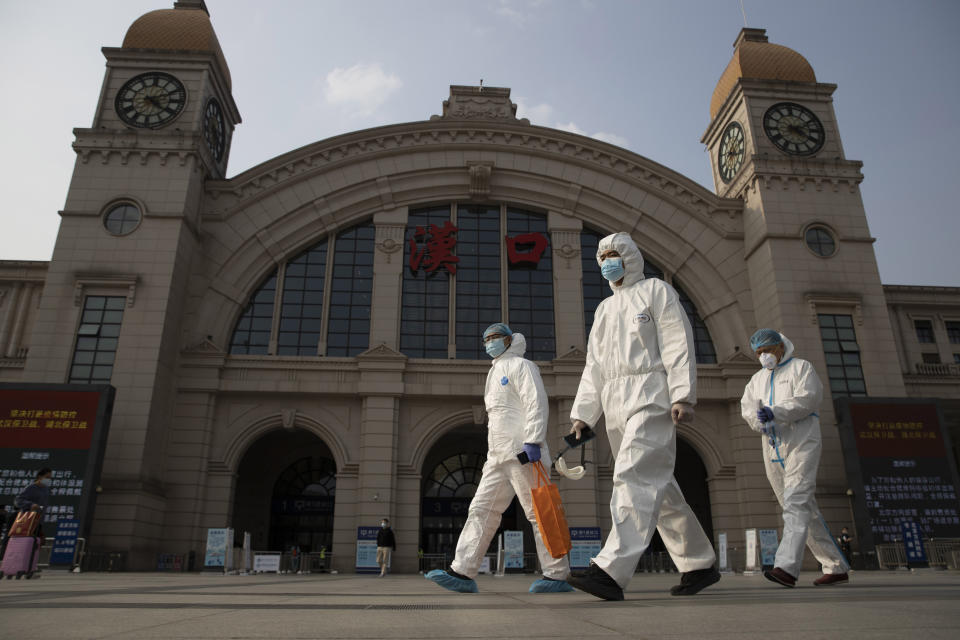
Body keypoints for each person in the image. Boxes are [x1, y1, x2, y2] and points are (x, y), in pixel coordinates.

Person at [566, 232, 719, 601]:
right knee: (659, 487)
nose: (606, 262)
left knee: (633, 475)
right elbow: (594, 367)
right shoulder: (604, 309)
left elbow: (677, 342)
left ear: (631, 256)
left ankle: (611, 570)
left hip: (652, 393)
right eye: (601, 257)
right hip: (615, 401)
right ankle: (698, 563)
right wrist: (584, 414)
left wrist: (682, 394)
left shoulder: (657, 292)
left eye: (613, 254)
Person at [426, 324, 574, 594]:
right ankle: (462, 570)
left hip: (524, 452)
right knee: (481, 509)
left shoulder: (522, 366)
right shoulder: (493, 372)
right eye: (486, 339)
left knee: (539, 512)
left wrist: (533, 439)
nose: (490, 343)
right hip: (497, 456)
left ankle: (557, 574)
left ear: (509, 340)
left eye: (495, 338)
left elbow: (536, 402)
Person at [741, 328, 850, 587]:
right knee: (802, 508)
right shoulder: (756, 380)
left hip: (802, 442)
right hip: (772, 446)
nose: (764, 356)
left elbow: (809, 399)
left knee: (796, 501)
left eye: (767, 350)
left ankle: (786, 567)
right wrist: (759, 420)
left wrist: (775, 411)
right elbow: (747, 410)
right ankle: (835, 566)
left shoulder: (801, 368)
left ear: (780, 346)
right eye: (759, 353)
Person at [0, 468, 51, 557]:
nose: (49, 480)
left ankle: (28, 564)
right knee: (16, 541)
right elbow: (18, 500)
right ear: (40, 476)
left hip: (37, 521)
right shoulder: (31, 487)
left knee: (33, 543)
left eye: (50, 478)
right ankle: (6, 561)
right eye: (47, 477)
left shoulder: (46, 490)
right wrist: (31, 505)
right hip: (25, 520)